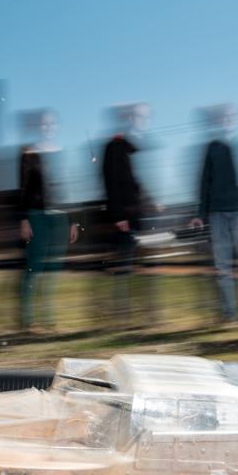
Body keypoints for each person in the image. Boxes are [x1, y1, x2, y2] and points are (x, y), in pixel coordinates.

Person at [191, 104, 238, 323]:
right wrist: (200, 213)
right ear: (218, 121)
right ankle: (230, 314)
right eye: (223, 117)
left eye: (231, 116)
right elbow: (204, 182)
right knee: (223, 267)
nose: (226, 120)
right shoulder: (211, 148)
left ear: (236, 119)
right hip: (217, 213)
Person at [19, 110, 79, 332]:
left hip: (60, 217)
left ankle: (49, 318)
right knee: (35, 267)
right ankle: (28, 320)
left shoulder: (61, 152)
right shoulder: (28, 152)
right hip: (37, 215)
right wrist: (24, 218)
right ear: (38, 126)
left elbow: (67, 187)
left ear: (57, 127)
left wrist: (73, 221)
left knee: (53, 269)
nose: (48, 127)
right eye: (44, 123)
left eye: (52, 123)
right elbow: (23, 187)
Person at [101, 103, 150, 321]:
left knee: (132, 264)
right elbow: (111, 182)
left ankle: (130, 312)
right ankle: (122, 313)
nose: (141, 120)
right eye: (137, 116)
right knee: (124, 265)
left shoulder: (130, 146)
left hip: (135, 214)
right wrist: (119, 215)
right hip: (124, 217)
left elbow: (134, 181)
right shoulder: (114, 146)